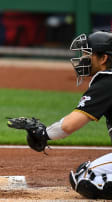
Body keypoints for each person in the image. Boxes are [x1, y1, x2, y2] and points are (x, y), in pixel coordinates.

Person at [8, 31, 112, 199]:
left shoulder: (107, 82)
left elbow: (70, 125)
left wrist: (44, 133)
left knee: (86, 178)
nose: (84, 59)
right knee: (83, 172)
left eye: (88, 54)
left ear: (103, 59)